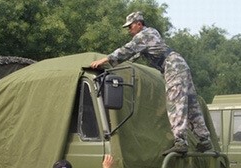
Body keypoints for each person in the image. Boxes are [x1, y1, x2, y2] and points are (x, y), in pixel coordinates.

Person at [90, 11, 212, 155]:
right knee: (191, 104)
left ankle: (180, 142)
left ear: (139, 24)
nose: (129, 31)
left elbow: (127, 50)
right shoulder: (149, 35)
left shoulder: (144, 35)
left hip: (172, 66)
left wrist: (105, 60)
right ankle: (204, 139)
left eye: (130, 27)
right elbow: (133, 55)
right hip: (179, 65)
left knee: (175, 102)